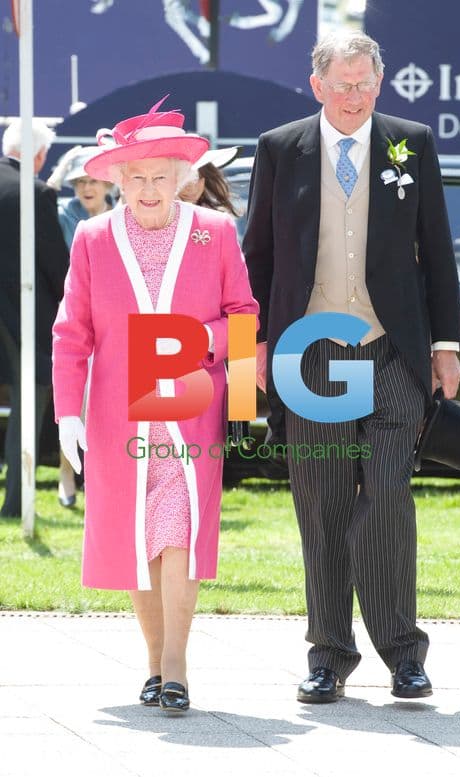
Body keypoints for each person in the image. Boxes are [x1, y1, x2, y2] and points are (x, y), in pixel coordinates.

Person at [243, 30, 460, 702]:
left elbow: (438, 250)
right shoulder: (280, 148)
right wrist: (251, 344)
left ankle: (403, 653)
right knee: (324, 503)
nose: (356, 96)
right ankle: (329, 655)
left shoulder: (411, 143)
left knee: (388, 496)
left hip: (391, 350)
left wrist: (446, 345)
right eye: (343, 85)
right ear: (317, 85)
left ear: (379, 83)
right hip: (310, 354)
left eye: (366, 83)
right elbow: (258, 256)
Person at [52, 99, 258, 713]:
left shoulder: (214, 232)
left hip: (191, 410)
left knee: (179, 532)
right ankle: (152, 661)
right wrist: (68, 413)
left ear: (181, 179)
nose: (148, 189)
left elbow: (244, 317)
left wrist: (206, 355)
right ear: (118, 179)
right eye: (137, 177)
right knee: (137, 537)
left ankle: (176, 667)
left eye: (160, 177)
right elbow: (72, 333)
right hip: (118, 414)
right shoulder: (93, 238)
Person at [0, 119, 69, 518]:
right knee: (28, 403)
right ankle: (14, 503)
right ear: (40, 156)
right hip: (22, 318)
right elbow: (56, 265)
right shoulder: (36, 192)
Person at [48, 146, 116, 507]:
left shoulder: (125, 213)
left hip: (115, 324)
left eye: (92, 181)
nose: (86, 188)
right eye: (79, 183)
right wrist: (58, 173)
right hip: (76, 322)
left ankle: (103, 479)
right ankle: (66, 473)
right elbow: (39, 202)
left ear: (107, 183)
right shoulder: (62, 216)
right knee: (75, 401)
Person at [178, 146, 241, 216]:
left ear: (204, 180)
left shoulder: (217, 216)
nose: (190, 187)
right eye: (184, 179)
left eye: (195, 178)